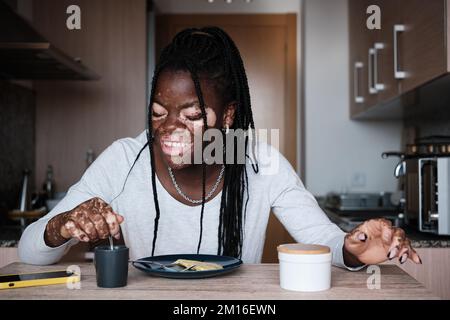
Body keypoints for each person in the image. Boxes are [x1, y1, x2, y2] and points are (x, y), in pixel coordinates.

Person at [19, 27, 421, 268]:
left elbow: (326, 242)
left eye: (192, 115)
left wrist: (355, 248)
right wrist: (60, 226)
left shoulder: (260, 164)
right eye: (158, 112)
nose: (169, 129)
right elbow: (29, 251)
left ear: (227, 117)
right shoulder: (124, 159)